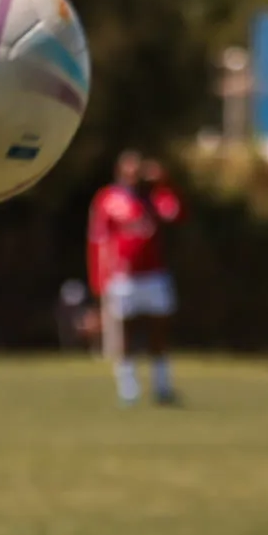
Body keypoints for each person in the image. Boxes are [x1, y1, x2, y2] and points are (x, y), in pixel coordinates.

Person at [87, 152, 183, 404]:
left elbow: (175, 213)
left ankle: (162, 386)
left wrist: (165, 183)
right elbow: (98, 239)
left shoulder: (155, 197)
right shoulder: (108, 198)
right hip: (122, 276)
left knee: (159, 332)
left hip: (154, 275)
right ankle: (128, 389)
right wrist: (99, 277)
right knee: (125, 333)